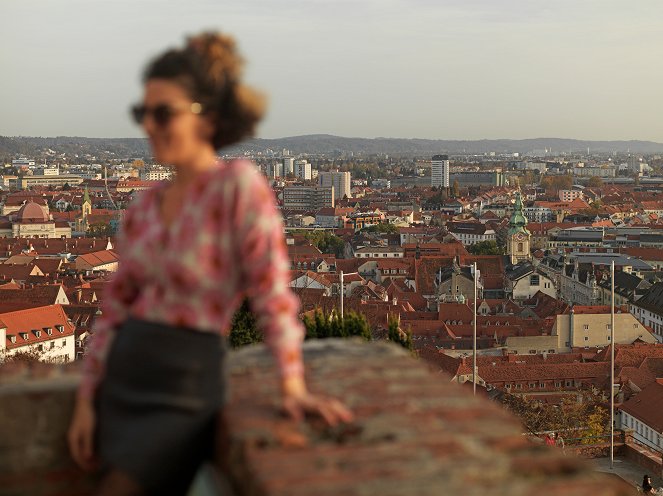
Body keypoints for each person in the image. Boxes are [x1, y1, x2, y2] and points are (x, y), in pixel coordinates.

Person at [67, 31, 353, 495]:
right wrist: (85, 399)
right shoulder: (144, 207)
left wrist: (292, 385)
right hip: (125, 381)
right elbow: (114, 310)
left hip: (186, 381)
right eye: (144, 113)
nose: (150, 126)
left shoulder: (237, 188)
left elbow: (272, 294)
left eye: (164, 112)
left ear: (209, 117)